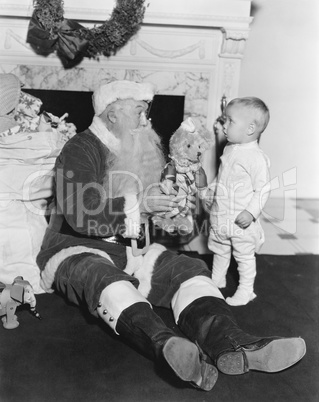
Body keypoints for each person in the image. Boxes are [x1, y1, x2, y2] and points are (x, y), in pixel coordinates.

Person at [37, 81, 305, 392]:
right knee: (101, 277)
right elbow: (80, 215)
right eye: (139, 112)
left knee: (190, 270)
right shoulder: (80, 149)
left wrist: (163, 207)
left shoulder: (132, 147)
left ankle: (234, 344)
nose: (145, 120)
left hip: (130, 252)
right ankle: (168, 347)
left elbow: (137, 208)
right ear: (113, 114)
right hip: (75, 249)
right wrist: (141, 205)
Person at [207, 97, 271, 306]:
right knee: (220, 247)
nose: (224, 125)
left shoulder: (256, 157)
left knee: (243, 256)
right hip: (222, 214)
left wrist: (251, 212)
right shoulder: (229, 148)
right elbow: (223, 175)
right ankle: (217, 279)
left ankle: (246, 290)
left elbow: (263, 189)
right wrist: (212, 189)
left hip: (240, 219)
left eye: (230, 121)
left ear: (250, 128)